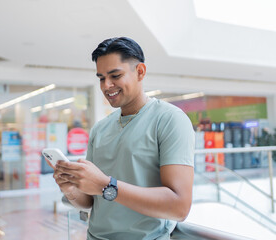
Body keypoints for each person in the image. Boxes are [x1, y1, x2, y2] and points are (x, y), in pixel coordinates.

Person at [50, 37, 195, 239]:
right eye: (101, 78)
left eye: (115, 75)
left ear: (140, 72)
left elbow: (179, 207)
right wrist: (71, 189)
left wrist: (106, 185)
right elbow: (92, 201)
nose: (106, 85)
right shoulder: (100, 129)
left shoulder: (170, 120)